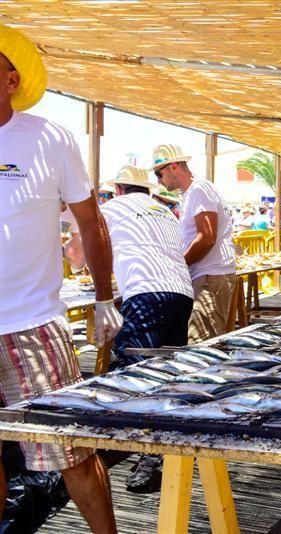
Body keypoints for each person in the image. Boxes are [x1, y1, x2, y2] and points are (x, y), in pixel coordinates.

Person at [0, 24, 119, 532]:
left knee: (70, 451)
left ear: (11, 79)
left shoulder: (48, 138)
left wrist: (103, 298)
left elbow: (91, 223)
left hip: (33, 322)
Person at [67, 165, 194, 493]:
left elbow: (79, 257)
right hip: (181, 293)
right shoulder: (166, 212)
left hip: (146, 292)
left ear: (120, 189)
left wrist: (68, 244)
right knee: (168, 373)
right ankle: (164, 446)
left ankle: (149, 455)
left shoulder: (111, 207)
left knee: (136, 375)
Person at [152, 144, 237, 343]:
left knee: (201, 344)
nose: (159, 180)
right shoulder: (192, 192)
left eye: (159, 173)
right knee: (204, 341)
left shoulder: (199, 189)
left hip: (210, 276)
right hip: (208, 275)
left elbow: (207, 237)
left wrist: (179, 267)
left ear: (174, 167)